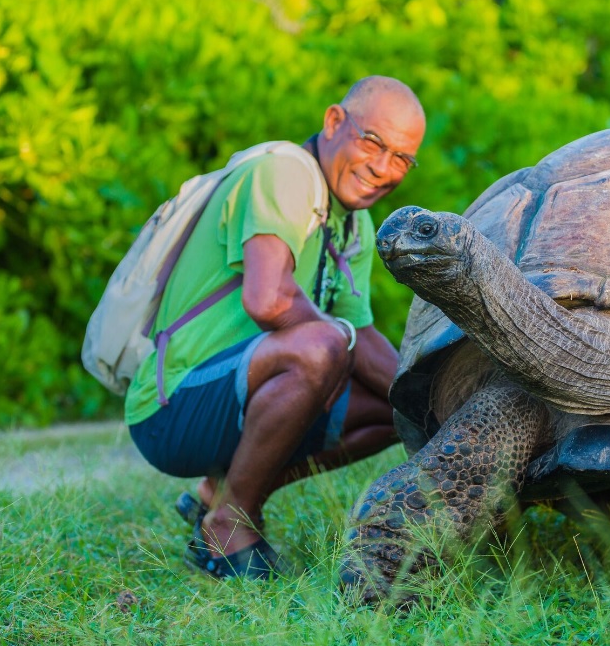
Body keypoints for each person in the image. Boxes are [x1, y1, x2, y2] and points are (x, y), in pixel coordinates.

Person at [124, 76, 426, 579]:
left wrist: (430, 399)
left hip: (242, 396)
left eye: (401, 158)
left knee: (398, 409)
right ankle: (228, 525)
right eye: (373, 142)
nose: (382, 167)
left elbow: (362, 335)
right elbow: (268, 300)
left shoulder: (353, 224)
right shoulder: (284, 172)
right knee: (322, 346)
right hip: (172, 407)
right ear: (334, 121)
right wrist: (337, 347)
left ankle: (220, 496)